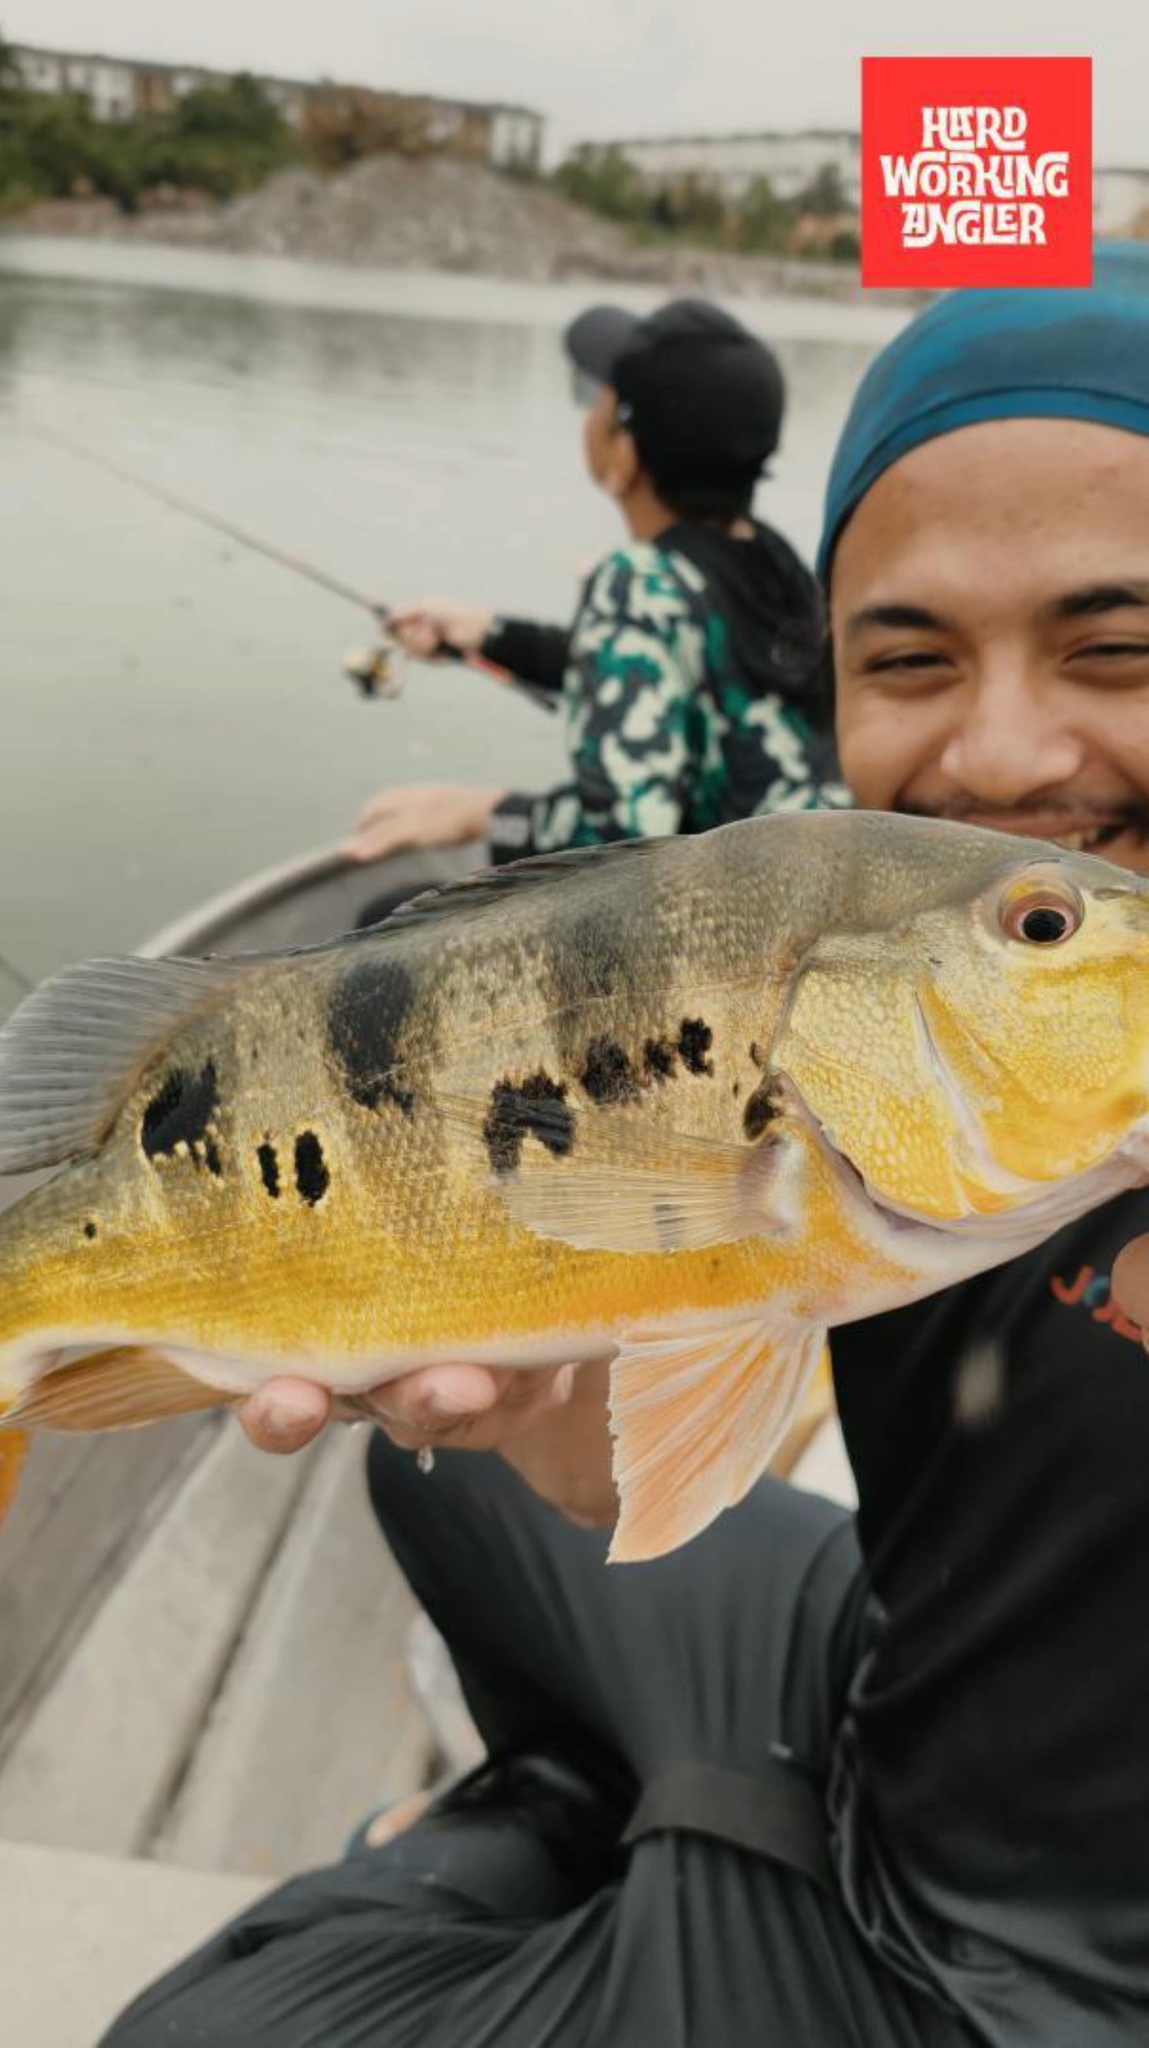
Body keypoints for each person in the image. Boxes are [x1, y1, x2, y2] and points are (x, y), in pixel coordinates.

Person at [103, 248, 1149, 2048]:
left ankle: (510, 1852)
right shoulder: (891, 1037)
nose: (997, 751)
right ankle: (568, 1805)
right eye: (903, 657)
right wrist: (554, 1414)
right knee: (447, 1481)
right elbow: (672, 1401)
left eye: (1116, 645)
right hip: (875, 1698)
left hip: (993, 2005)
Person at [346, 298, 834, 873]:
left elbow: (624, 840)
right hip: (801, 889)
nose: (587, 412)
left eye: (592, 397)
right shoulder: (776, 562)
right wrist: (487, 635)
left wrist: (485, 812)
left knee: (385, 918)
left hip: (719, 926)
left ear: (623, 454)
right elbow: (661, 676)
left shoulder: (634, 582)